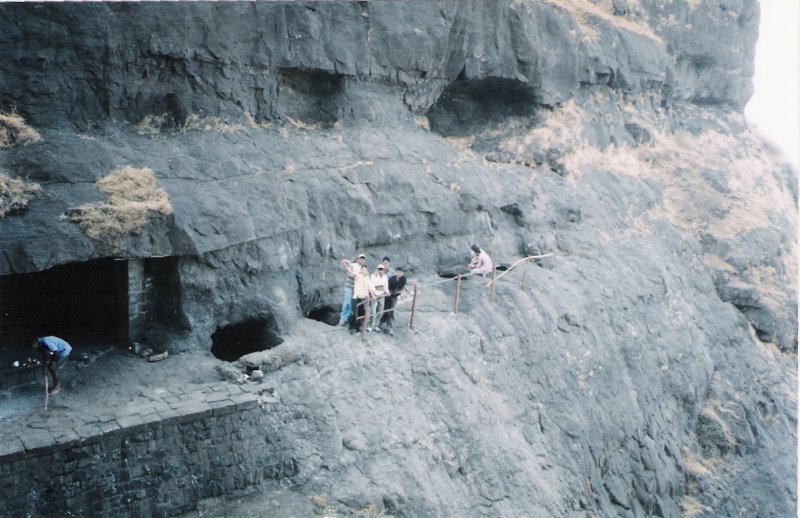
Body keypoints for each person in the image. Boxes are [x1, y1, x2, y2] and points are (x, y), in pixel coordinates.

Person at [339, 253, 366, 326]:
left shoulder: (363, 268)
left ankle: (349, 320)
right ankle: (343, 319)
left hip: (356, 290)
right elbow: (349, 272)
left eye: (363, 258)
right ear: (357, 259)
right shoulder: (353, 265)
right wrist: (346, 262)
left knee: (352, 305)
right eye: (361, 258)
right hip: (349, 287)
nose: (362, 260)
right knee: (347, 303)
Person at [380, 267, 407, 335]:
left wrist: (396, 292)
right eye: (398, 272)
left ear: (402, 273)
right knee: (386, 309)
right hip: (388, 295)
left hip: (394, 296)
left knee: (391, 311)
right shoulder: (392, 278)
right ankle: (382, 322)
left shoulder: (403, 279)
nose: (399, 274)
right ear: (396, 272)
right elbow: (387, 287)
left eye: (400, 272)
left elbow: (401, 287)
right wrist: (389, 292)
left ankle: (389, 327)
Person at [349, 265, 371, 334]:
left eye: (365, 269)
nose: (364, 270)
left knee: (361, 313)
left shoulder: (368, 278)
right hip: (356, 297)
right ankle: (352, 327)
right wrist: (347, 266)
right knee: (354, 313)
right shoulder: (358, 276)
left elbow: (369, 288)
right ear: (361, 270)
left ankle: (358, 328)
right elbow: (352, 273)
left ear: (367, 271)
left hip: (364, 298)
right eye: (363, 269)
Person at [367, 264, 390, 331]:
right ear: (377, 269)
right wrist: (375, 294)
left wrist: (387, 292)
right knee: (373, 311)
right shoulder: (373, 276)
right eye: (379, 269)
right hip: (374, 295)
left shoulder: (385, 277)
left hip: (382, 295)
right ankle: (371, 326)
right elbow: (371, 286)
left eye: (381, 269)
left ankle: (376, 325)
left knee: (380, 311)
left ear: (384, 270)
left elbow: (386, 287)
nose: (380, 270)